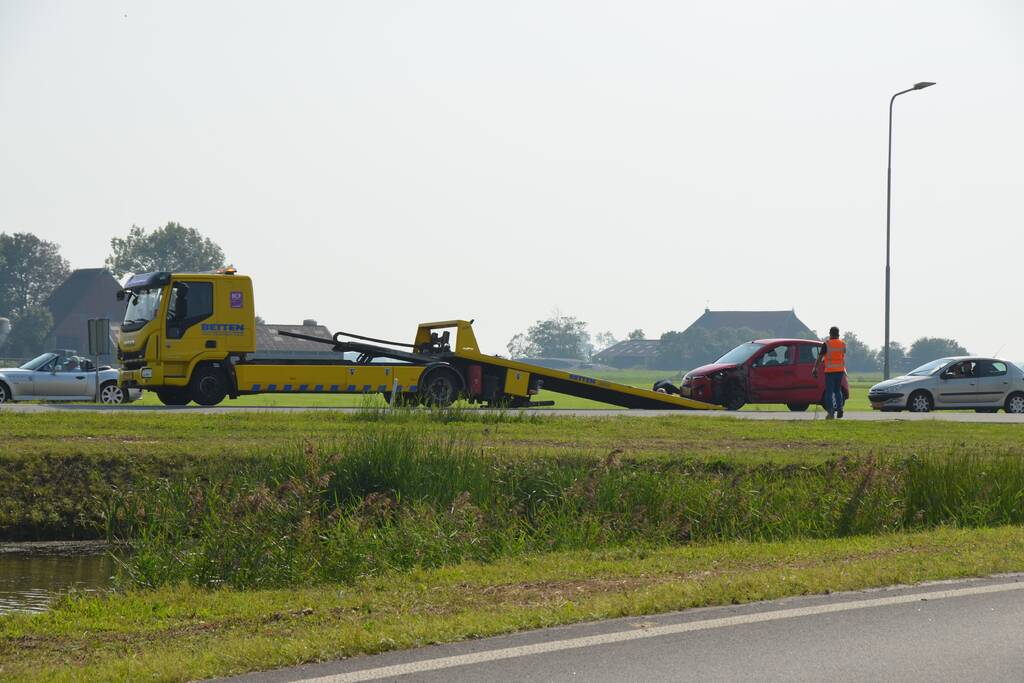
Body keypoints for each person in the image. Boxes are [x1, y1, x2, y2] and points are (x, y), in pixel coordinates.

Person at [812, 326, 847, 420]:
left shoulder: (827, 344)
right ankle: (840, 409)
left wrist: (815, 368)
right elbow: (842, 355)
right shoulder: (843, 344)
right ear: (838, 334)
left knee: (829, 392)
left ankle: (830, 412)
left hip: (830, 371)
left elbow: (820, 357)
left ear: (830, 334)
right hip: (840, 371)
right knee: (837, 390)